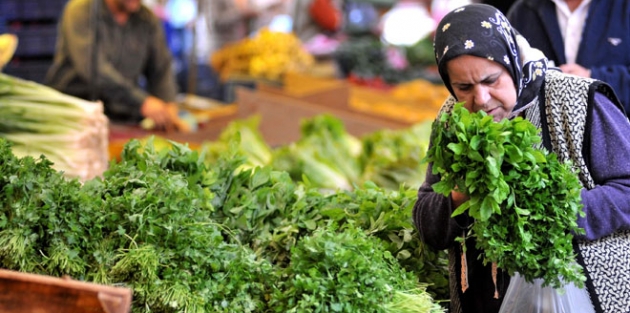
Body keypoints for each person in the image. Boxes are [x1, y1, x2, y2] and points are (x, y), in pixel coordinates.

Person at [413, 4, 630, 313]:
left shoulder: (576, 99)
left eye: (491, 81)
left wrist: (554, 211)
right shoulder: (451, 119)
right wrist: (462, 197)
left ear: (511, 63)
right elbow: (427, 222)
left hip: (584, 295)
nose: (481, 100)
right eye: (463, 87)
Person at [46, 0, 186, 131]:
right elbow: (94, 69)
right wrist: (142, 102)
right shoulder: (81, 10)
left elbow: (160, 68)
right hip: (73, 112)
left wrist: (168, 103)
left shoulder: (147, 20)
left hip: (119, 115)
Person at [506, 0, 630, 117]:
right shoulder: (523, 11)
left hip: (617, 126)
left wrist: (591, 79)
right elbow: (508, 77)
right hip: (545, 131)